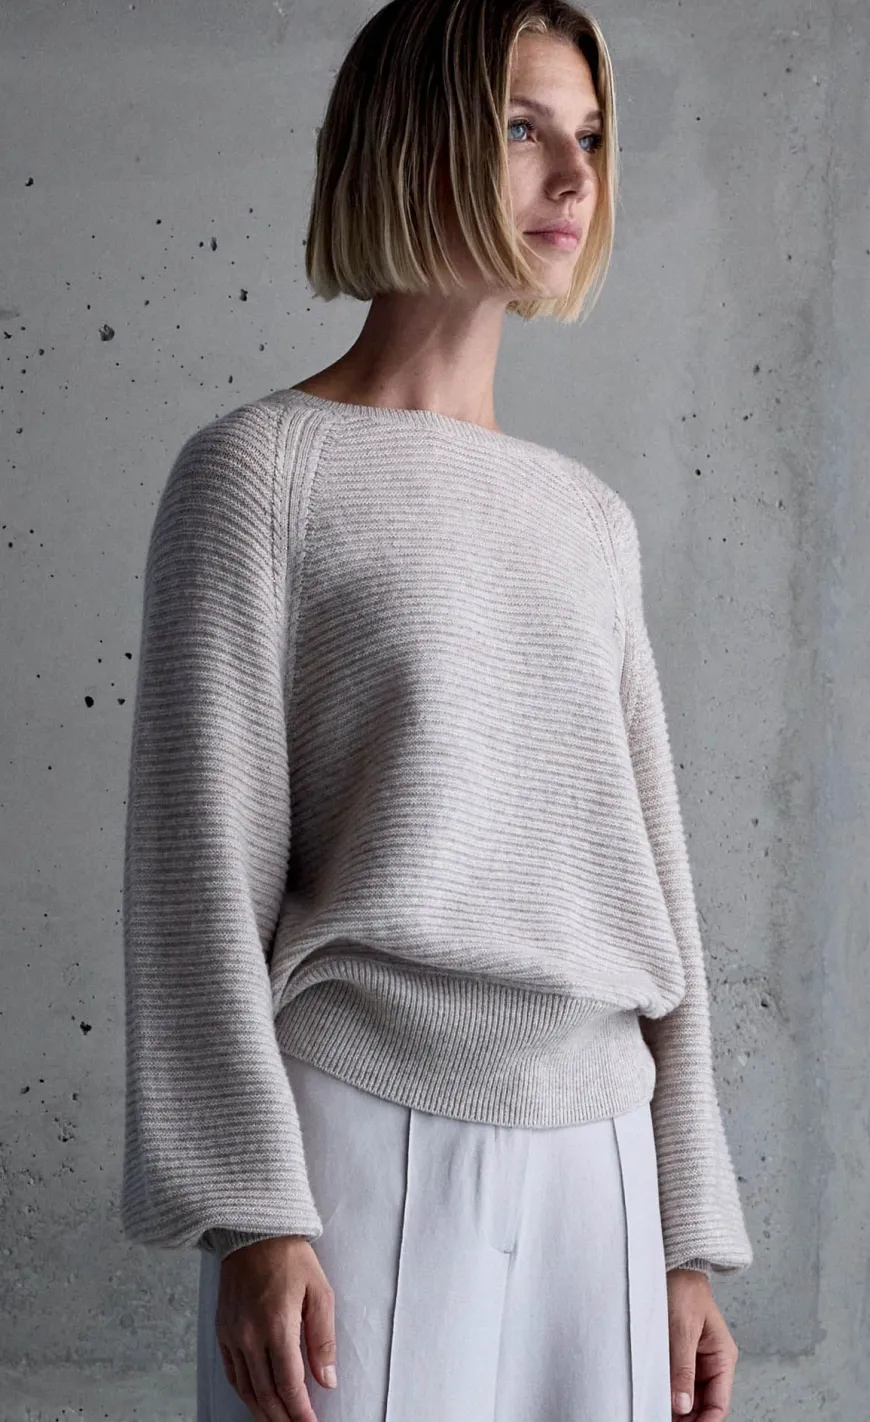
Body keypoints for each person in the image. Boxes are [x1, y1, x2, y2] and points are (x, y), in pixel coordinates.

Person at [119, 2, 754, 1420]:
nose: (575, 177)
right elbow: (197, 876)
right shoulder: (260, 475)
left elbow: (658, 894)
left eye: (592, 136)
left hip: (602, 1159)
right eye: (524, 129)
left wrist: (686, 1236)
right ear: (415, 143)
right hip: (358, 1137)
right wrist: (251, 1209)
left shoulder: (588, 519)